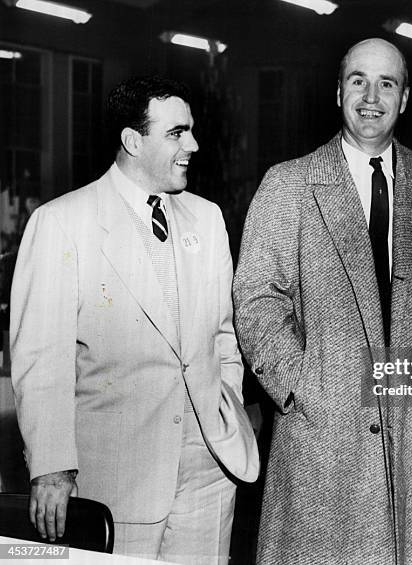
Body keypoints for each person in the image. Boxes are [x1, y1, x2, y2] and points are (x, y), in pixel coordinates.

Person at [233, 38, 412, 564]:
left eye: (387, 83)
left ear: (405, 97)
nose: (371, 95)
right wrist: (302, 390)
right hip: (323, 442)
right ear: (337, 90)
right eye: (358, 80)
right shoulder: (289, 185)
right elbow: (255, 303)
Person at [10, 75, 259, 564]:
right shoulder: (63, 223)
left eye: (190, 131)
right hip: (115, 479)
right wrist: (52, 469)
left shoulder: (206, 219)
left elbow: (223, 336)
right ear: (132, 140)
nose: (193, 144)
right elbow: (42, 358)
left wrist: (221, 397)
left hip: (209, 472)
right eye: (176, 133)